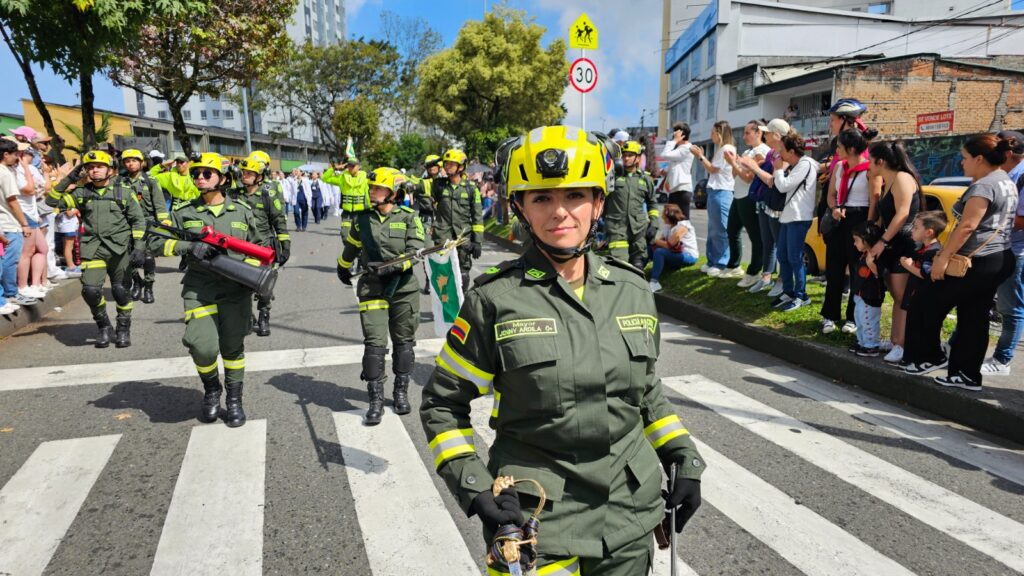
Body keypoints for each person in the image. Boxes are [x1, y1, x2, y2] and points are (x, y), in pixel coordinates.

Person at [421, 126, 704, 575]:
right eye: (541, 198)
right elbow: (442, 404)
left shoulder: (632, 290)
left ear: (598, 202)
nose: (560, 212)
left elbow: (645, 391)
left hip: (629, 521)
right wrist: (475, 488)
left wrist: (683, 456)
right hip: (537, 525)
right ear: (519, 208)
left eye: (575, 195)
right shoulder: (493, 300)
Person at [149, 153, 265, 426]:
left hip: (236, 290)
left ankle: (234, 400)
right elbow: (157, 243)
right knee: (202, 346)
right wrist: (189, 247)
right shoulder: (185, 212)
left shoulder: (242, 212)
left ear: (223, 179)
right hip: (199, 288)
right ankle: (212, 389)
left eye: (206, 174)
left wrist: (249, 272)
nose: (199, 178)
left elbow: (260, 249)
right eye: (196, 174)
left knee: (233, 348)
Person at [917, 135, 1018, 391]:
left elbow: (968, 226)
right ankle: (966, 375)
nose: (962, 164)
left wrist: (942, 258)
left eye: (964, 158)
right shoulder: (1006, 180)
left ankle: (932, 356)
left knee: (930, 301)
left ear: (979, 159)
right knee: (974, 316)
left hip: (977, 260)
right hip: (1000, 257)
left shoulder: (984, 186)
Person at [336, 168, 425, 425]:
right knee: (374, 345)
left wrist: (394, 266)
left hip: (403, 288)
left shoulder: (409, 218)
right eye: (371, 187)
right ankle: (375, 400)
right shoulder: (361, 219)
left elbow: (416, 251)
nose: (371, 192)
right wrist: (342, 267)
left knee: (403, 342)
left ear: (392, 194)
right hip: (372, 288)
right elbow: (351, 247)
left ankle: (400, 392)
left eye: (377, 188)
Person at [47, 150, 146, 348]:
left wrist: (139, 248)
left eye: (99, 166)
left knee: (120, 291)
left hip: (119, 249)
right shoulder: (81, 193)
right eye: (90, 167)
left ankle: (123, 329)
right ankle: (103, 326)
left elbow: (138, 220)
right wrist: (68, 179)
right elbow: (51, 201)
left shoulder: (123, 192)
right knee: (90, 290)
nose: (95, 171)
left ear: (110, 170)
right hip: (92, 249)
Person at [820, 128, 881, 335]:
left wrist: (868, 228)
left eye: (839, 146)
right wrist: (834, 208)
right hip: (839, 218)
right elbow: (831, 195)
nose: (837, 150)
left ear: (852, 148)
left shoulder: (869, 169)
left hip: (859, 218)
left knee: (857, 270)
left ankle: (852, 317)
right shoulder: (838, 166)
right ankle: (829, 315)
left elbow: (874, 200)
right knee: (834, 267)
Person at [866, 141, 921, 364]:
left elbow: (902, 214)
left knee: (902, 297)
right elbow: (885, 215)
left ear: (880, 161)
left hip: (903, 243)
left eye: (870, 159)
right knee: (897, 296)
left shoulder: (901, 178)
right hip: (892, 243)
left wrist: (882, 241)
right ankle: (896, 339)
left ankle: (903, 343)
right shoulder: (888, 180)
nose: (868, 164)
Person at [980, 132, 1024, 376]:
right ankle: (956, 345)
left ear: (1007, 153)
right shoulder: (1005, 175)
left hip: (1015, 251)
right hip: (999, 249)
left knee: (1011, 309)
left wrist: (994, 215)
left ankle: (1002, 359)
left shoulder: (1022, 176)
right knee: (979, 301)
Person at [231, 156, 290, 337]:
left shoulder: (267, 194)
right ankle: (249, 317)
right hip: (241, 247)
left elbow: (279, 220)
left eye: (250, 173)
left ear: (259, 176)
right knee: (242, 286)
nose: (245, 176)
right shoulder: (234, 195)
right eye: (244, 173)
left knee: (264, 287)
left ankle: (264, 316)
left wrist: (284, 244)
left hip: (263, 248)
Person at [739, 119, 792, 298]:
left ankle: (783, 280)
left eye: (767, 132)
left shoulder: (785, 154)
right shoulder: (771, 153)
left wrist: (754, 167)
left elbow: (773, 180)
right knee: (767, 241)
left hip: (777, 205)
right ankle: (767, 276)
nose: (764, 135)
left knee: (780, 245)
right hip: (765, 202)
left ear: (777, 135)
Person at [771, 131, 818, 312]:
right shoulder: (802, 164)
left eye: (782, 150)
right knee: (782, 255)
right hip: (789, 217)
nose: (780, 154)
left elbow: (783, 186)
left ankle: (801, 295)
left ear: (791, 152)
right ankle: (788, 291)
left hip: (799, 217)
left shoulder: (804, 164)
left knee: (795, 258)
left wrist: (778, 170)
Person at [898, 211, 948, 374]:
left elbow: (926, 274)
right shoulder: (922, 248)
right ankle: (910, 358)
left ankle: (928, 358)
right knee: (912, 326)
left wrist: (907, 266)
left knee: (923, 329)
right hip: (915, 295)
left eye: (916, 227)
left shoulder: (933, 252)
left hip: (925, 297)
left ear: (929, 232)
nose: (912, 230)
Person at [725, 120, 771, 289]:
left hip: (749, 197)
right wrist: (735, 164)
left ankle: (754, 272)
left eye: (747, 133)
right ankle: (734, 264)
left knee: (755, 236)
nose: (744, 136)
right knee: (731, 230)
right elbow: (735, 174)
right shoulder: (747, 151)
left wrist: (733, 164)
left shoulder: (762, 151)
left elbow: (749, 177)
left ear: (758, 132)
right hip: (738, 195)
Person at [117, 149, 167, 304]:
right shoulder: (120, 181)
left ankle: (148, 286)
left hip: (147, 223)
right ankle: (136, 281)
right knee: (128, 256)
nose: (130, 164)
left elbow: (159, 204)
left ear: (141, 162)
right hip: (127, 224)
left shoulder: (150, 180)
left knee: (147, 256)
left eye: (134, 160)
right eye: (127, 161)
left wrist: (163, 221)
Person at [430, 148, 484, 288]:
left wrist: (477, 242)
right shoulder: (438, 185)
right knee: (443, 273)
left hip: (463, 238)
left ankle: (462, 305)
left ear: (461, 166)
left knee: (463, 273)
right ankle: (446, 307)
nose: (447, 167)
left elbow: (477, 216)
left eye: (451, 164)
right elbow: (433, 203)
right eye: (446, 164)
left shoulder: (471, 188)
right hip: (443, 237)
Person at [693, 121, 737, 276]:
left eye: (713, 132)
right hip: (715, 191)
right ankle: (712, 260)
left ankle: (721, 262)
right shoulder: (721, 149)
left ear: (720, 133)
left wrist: (700, 157)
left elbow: (713, 169)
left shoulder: (727, 148)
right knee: (713, 229)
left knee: (720, 229)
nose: (711, 135)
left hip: (722, 191)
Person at [606, 141, 659, 268]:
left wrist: (654, 224)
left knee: (639, 264)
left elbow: (652, 202)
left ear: (638, 158)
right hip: (617, 227)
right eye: (624, 155)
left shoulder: (645, 179)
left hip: (639, 229)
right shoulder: (612, 176)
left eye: (630, 155)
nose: (626, 158)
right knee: (620, 264)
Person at [1, 138, 38, 314]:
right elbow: (13, 201)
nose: (17, 157)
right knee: (9, 261)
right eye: (15, 154)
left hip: (4, 224)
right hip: (9, 223)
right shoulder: (5, 173)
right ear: (5, 155)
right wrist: (24, 223)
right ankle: (10, 293)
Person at [848, 221, 885, 357]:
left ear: (867, 240)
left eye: (856, 240)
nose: (854, 244)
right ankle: (862, 342)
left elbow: (881, 274)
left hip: (871, 296)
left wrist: (871, 263)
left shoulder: (876, 256)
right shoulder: (864, 254)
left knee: (869, 320)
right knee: (859, 319)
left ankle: (871, 345)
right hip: (860, 295)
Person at [649, 203, 699, 293]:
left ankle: (654, 282)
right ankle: (637, 273)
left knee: (660, 252)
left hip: (688, 255)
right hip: (675, 253)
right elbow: (660, 242)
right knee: (649, 248)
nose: (662, 216)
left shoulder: (683, 226)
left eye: (664, 214)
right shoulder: (668, 226)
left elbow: (669, 244)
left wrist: (652, 240)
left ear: (670, 216)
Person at [322, 156, 369, 238]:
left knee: (361, 237)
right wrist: (334, 168)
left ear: (359, 167)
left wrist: (370, 209)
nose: (350, 168)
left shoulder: (365, 178)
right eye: (349, 165)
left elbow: (368, 195)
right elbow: (324, 178)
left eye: (353, 166)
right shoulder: (342, 178)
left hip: (360, 213)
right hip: (347, 213)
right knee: (345, 235)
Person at [661, 122, 695, 218]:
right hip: (675, 188)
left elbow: (665, 155)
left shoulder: (687, 148)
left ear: (681, 135)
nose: (673, 135)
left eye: (675, 134)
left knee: (682, 221)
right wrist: (666, 172)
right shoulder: (680, 148)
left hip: (682, 189)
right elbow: (677, 166)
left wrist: (674, 141)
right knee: (672, 220)